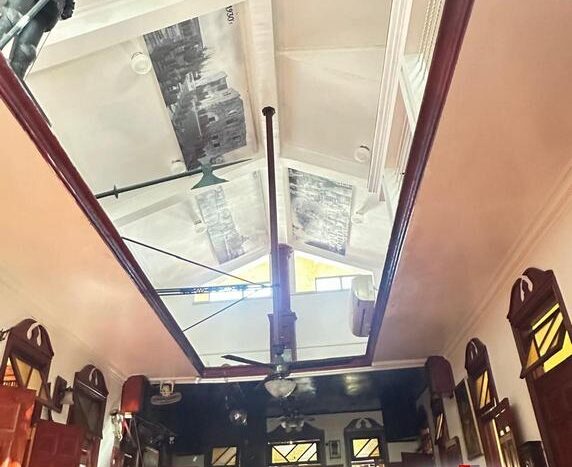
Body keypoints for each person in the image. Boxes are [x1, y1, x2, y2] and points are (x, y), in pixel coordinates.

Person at [0, 0, 74, 78]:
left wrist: (68, 6)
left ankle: (12, 79)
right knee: (8, 21)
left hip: (47, 10)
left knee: (25, 52)